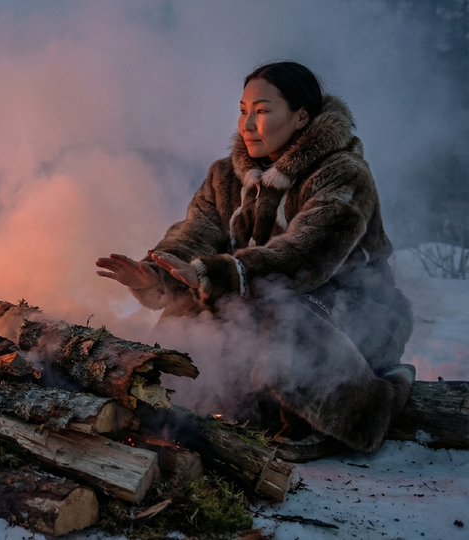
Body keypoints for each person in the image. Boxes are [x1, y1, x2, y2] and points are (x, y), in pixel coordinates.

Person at [95, 61, 414, 461]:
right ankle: (185, 406)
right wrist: (156, 274)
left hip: (354, 309)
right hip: (263, 296)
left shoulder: (343, 175)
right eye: (243, 110)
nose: (247, 124)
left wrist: (224, 274)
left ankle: (356, 407)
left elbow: (305, 254)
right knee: (186, 308)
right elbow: (196, 234)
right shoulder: (225, 177)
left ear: (301, 117)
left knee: (281, 307)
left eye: (261, 111)